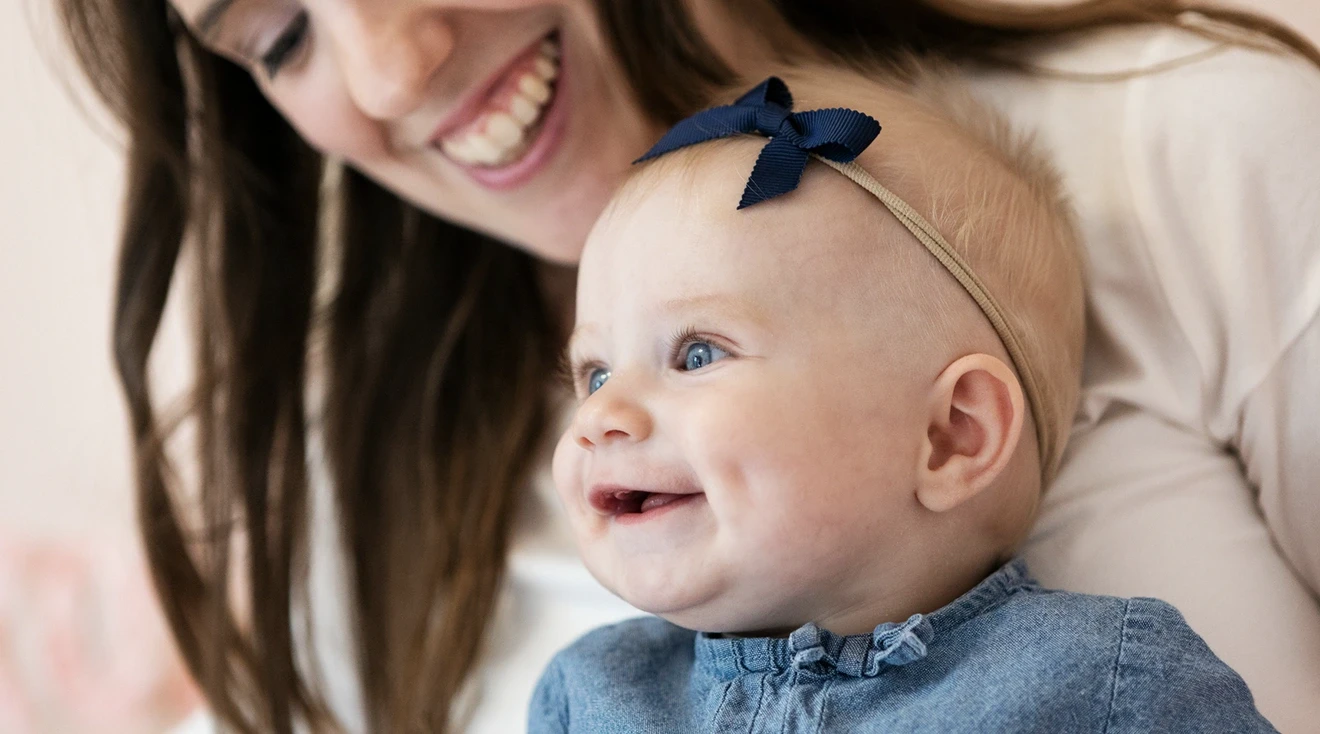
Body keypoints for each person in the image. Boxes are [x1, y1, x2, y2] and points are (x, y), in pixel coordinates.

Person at [51, 0, 1320, 732]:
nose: (391, 65)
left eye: (700, 351)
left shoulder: (1192, 153)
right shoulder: (343, 505)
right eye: (278, 36)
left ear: (952, 433)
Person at [529, 71, 1270, 734]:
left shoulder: (1103, 685)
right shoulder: (590, 694)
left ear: (951, 435)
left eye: (697, 354)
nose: (602, 416)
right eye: (593, 373)